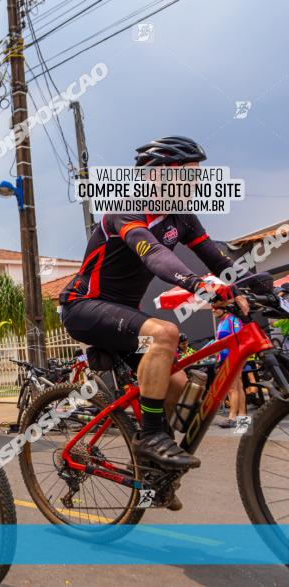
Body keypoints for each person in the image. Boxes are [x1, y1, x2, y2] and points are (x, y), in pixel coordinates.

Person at [59, 136, 271, 476]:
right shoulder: (124, 208)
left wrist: (262, 287)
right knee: (165, 333)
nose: (196, 184)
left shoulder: (182, 219)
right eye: (189, 175)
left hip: (125, 322)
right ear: (156, 175)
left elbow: (220, 262)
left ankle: (150, 467)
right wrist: (197, 284)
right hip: (85, 308)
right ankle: (150, 438)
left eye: (198, 177)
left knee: (177, 383)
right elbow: (154, 254)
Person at [212, 307, 250, 429]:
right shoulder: (222, 322)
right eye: (212, 308)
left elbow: (240, 338)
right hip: (225, 358)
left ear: (226, 309)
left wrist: (241, 358)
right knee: (238, 386)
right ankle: (243, 419)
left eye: (216, 308)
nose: (213, 310)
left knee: (232, 388)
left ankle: (232, 418)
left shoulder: (233, 319)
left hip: (234, 357)